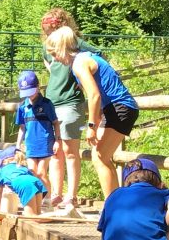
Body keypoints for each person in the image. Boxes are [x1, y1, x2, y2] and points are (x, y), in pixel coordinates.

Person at [44, 26, 138, 200]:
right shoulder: (82, 60)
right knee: (101, 157)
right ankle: (117, 203)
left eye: (55, 54)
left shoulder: (79, 63)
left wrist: (92, 126)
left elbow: (94, 95)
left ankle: (113, 206)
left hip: (121, 107)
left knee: (100, 158)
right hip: (114, 109)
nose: (54, 59)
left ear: (63, 48)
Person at [39, 9, 87, 211]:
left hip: (70, 102)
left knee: (70, 151)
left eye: (52, 29)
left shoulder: (74, 42)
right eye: (46, 30)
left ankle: (71, 195)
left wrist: (81, 79)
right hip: (52, 102)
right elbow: (51, 68)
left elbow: (99, 55)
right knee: (55, 151)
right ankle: (56, 194)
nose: (50, 34)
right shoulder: (46, 47)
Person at [14, 70, 60, 194]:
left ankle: (49, 199)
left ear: (38, 87)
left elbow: (56, 123)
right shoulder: (23, 107)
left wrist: (57, 141)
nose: (29, 95)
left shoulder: (47, 104)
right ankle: (36, 198)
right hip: (30, 144)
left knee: (41, 172)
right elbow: (22, 128)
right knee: (32, 171)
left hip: (45, 143)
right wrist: (18, 145)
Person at [0, 150, 47, 216]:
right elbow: (32, 177)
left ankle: (52, 216)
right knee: (38, 213)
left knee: (31, 216)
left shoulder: (3, 170)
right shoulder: (23, 167)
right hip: (36, 181)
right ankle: (48, 216)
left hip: (23, 183)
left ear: (4, 161)